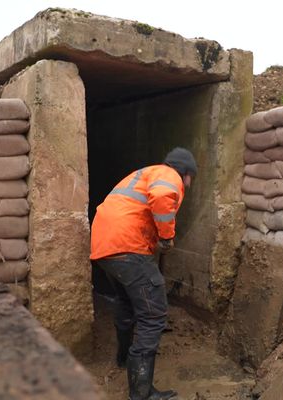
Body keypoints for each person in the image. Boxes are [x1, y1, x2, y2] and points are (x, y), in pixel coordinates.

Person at [90, 147, 197, 400]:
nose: (190, 183)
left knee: (126, 302)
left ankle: (124, 358)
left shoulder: (142, 174)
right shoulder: (168, 175)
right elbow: (162, 196)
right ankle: (141, 393)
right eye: (191, 177)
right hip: (128, 248)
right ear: (186, 173)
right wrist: (166, 236)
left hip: (105, 249)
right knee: (153, 316)